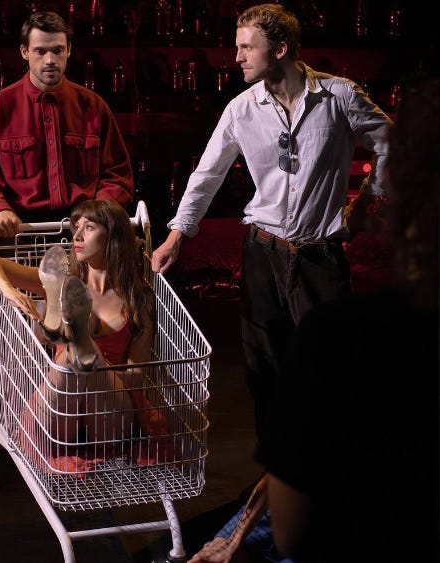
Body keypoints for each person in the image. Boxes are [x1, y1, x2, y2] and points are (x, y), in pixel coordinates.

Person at [148, 4, 393, 562]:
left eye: (245, 47)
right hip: (261, 252)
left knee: (330, 381)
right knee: (266, 376)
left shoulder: (338, 97)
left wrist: (368, 200)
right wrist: (176, 237)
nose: (234, 57)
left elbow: (390, 143)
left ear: (279, 49)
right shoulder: (241, 109)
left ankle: (329, 494)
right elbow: (206, 175)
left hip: (318, 258)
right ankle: (278, 491)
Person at [256, 77, 439, 562]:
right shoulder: (245, 105)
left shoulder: (346, 339)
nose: (236, 57)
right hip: (269, 246)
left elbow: (294, 535)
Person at [0, 199, 163, 470]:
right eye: (76, 227)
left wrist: (99, 373)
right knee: (72, 357)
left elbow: (136, 378)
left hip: (107, 411)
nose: (76, 235)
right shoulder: (62, 280)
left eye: (89, 227)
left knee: (81, 355)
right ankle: (78, 344)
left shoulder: (138, 300)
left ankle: (79, 342)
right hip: (63, 408)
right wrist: (10, 291)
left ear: (113, 236)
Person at [0, 11, 134, 238]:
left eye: (57, 50)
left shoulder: (94, 107)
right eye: (40, 51)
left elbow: (118, 174)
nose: (50, 60)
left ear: (69, 50)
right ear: (24, 52)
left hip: (84, 229)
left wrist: (98, 212)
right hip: (19, 232)